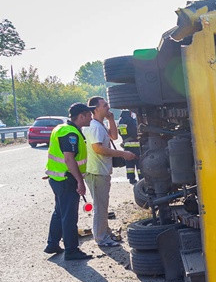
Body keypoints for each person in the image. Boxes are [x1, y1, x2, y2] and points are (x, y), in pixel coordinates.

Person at [83, 97, 137, 247]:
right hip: (96, 172)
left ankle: (105, 233)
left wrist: (111, 119)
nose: (108, 107)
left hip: (101, 171)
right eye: (105, 105)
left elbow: (114, 136)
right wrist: (123, 154)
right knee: (100, 207)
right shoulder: (94, 126)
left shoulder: (100, 124)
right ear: (96, 109)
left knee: (102, 205)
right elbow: (98, 149)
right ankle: (101, 238)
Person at [44, 103, 95, 260]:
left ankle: (52, 244)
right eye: (89, 115)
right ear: (81, 116)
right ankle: (71, 250)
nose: (91, 118)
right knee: (69, 215)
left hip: (58, 178)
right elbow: (69, 158)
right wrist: (80, 182)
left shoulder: (61, 128)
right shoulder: (70, 132)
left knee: (60, 212)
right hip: (67, 179)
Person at [118, 110, 142, 184]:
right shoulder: (131, 120)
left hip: (126, 145)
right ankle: (141, 178)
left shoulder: (120, 121)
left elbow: (120, 132)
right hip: (135, 145)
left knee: (129, 164)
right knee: (139, 162)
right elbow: (135, 131)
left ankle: (131, 178)